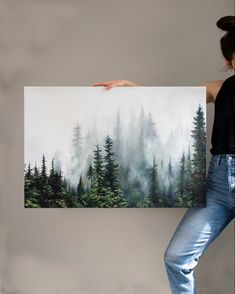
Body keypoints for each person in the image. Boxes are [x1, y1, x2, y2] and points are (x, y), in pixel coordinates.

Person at [92, 15, 235, 293]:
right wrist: (129, 86)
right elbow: (168, 99)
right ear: (230, 62)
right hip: (218, 186)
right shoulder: (220, 89)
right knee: (176, 258)